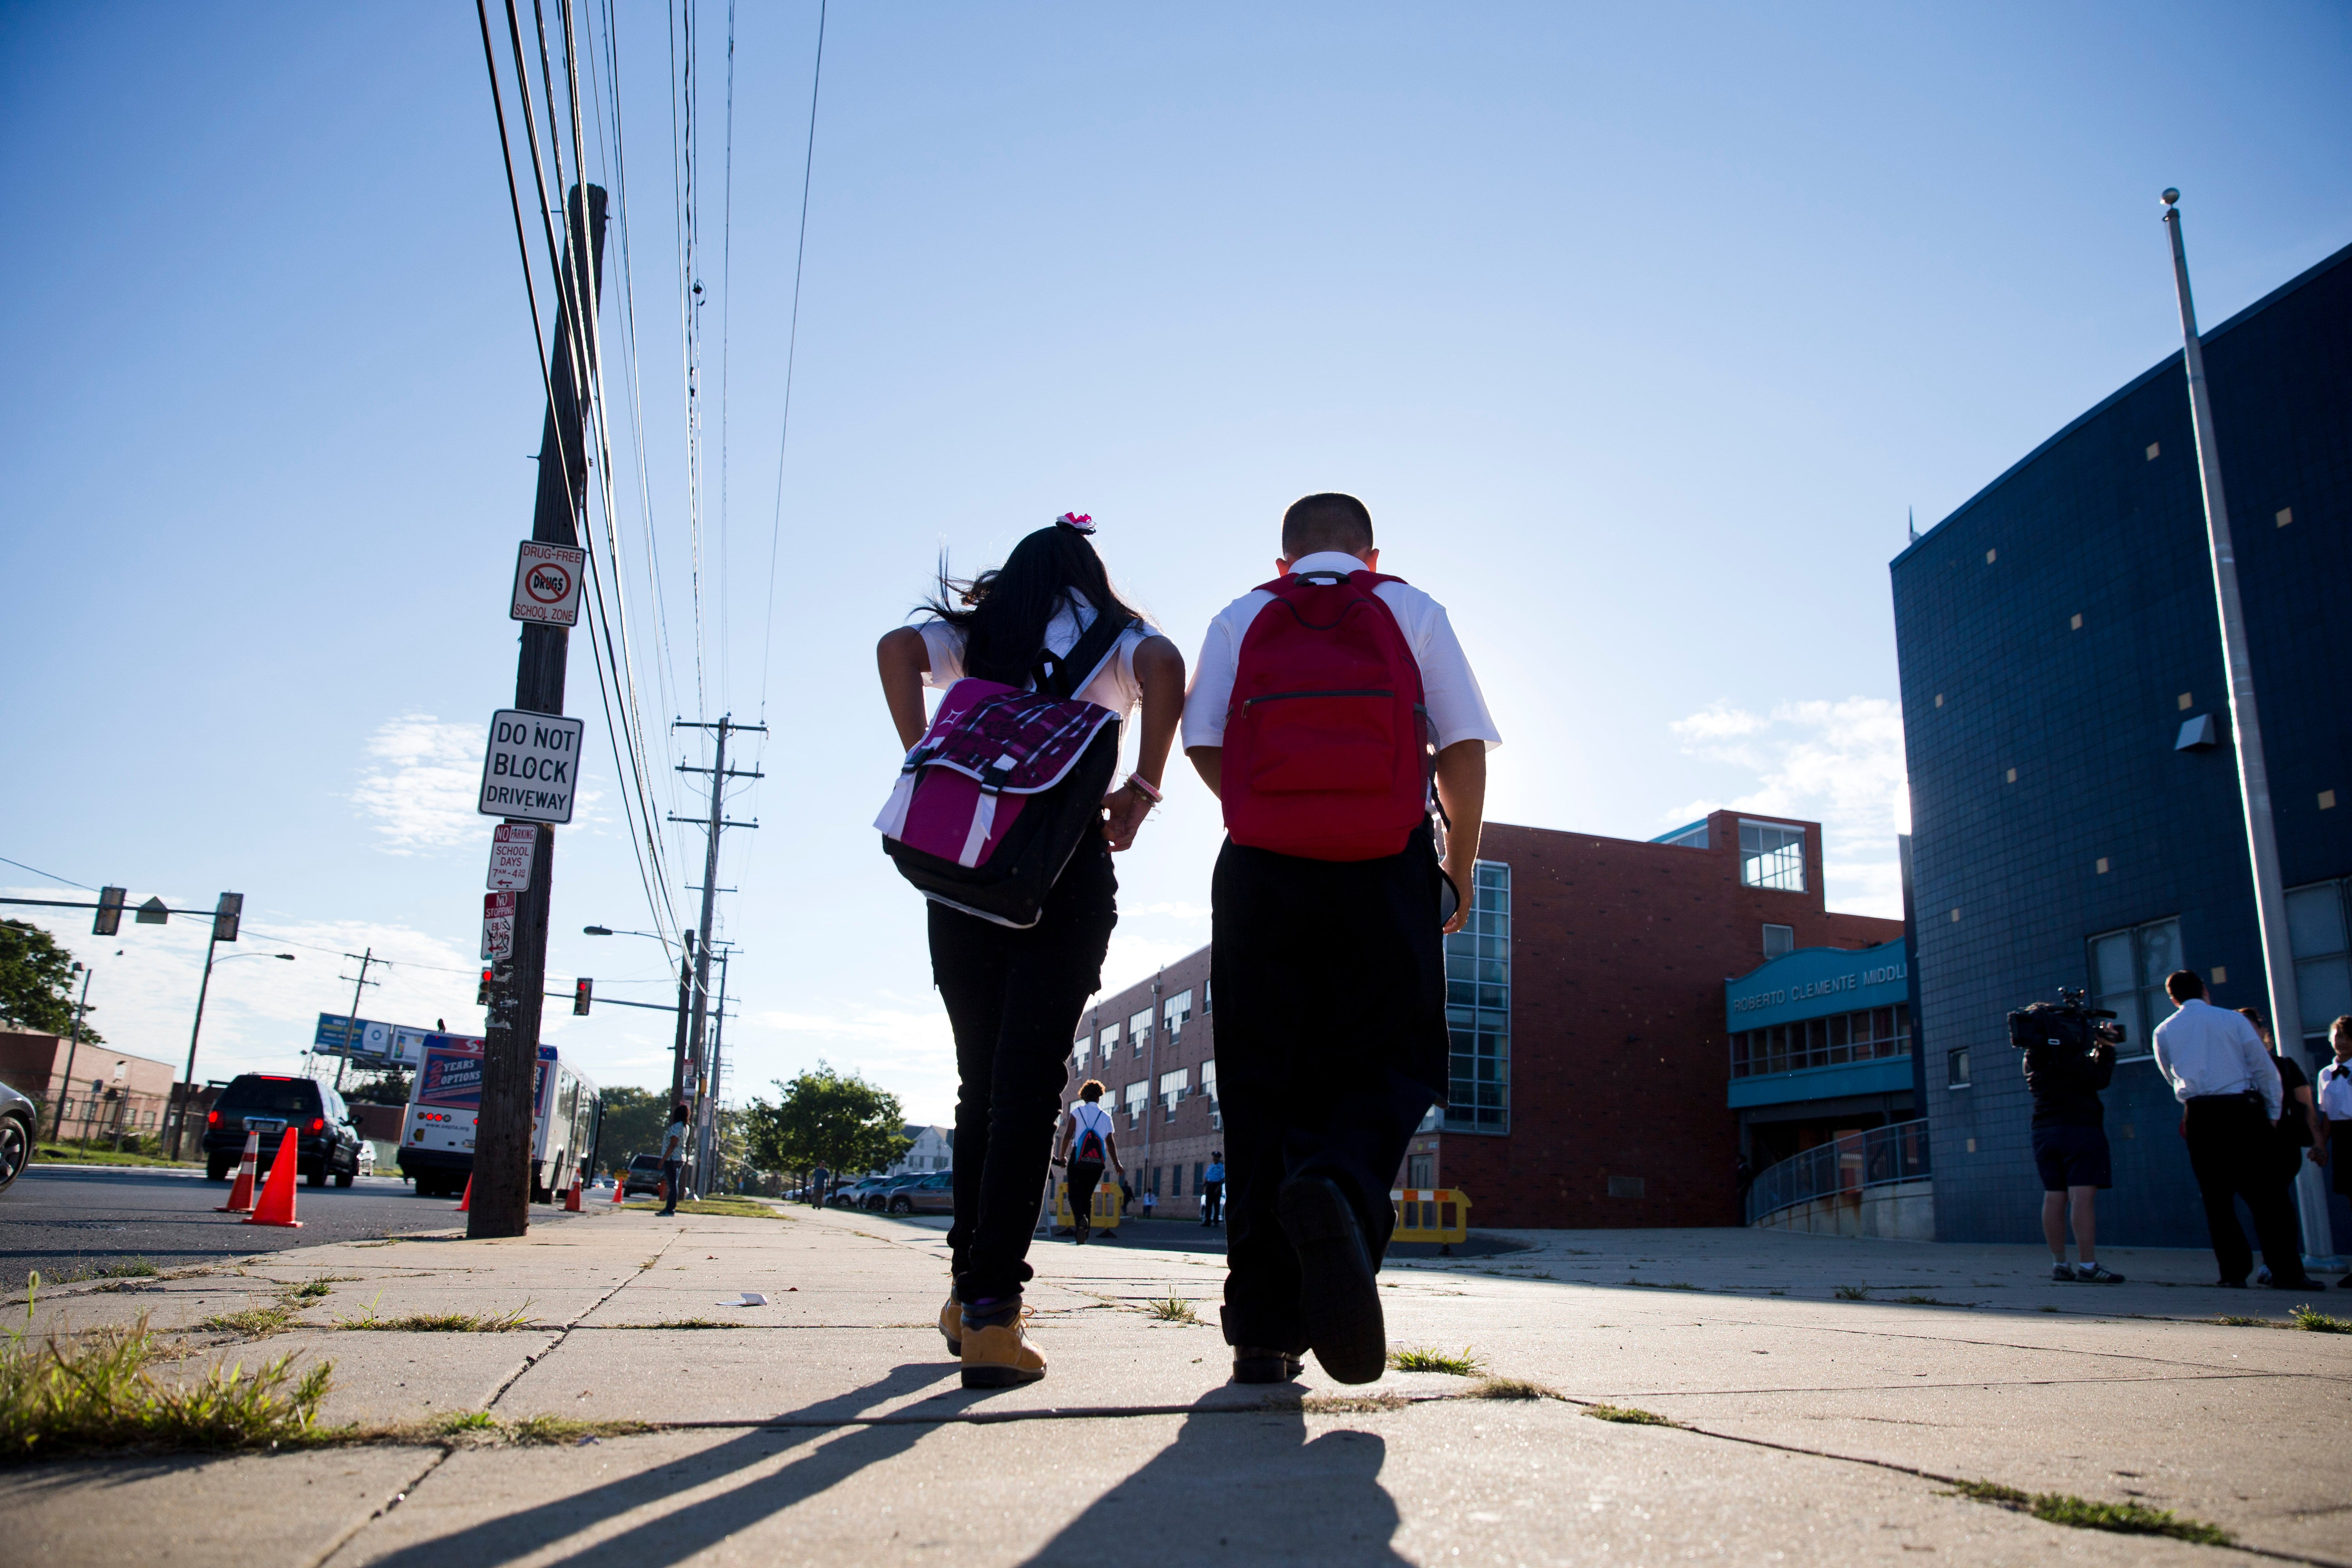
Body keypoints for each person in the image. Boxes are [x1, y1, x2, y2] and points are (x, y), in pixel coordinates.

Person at [1184, 492, 1499, 1385]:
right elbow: (1464, 748)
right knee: (1392, 1060)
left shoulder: (1244, 616)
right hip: (1386, 862)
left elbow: (1204, 742)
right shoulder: (1411, 608)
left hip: (1259, 873)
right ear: (1370, 549)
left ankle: (1263, 1331)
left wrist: (1272, 811)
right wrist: (1459, 864)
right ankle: (1342, 1183)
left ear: (1284, 559)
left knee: (1259, 1085)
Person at [878, 514, 1186, 1389]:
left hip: (962, 864)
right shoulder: (1117, 638)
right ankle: (992, 1315)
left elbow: (895, 648)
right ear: (1088, 573)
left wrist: (923, 756)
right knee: (1026, 1085)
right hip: (1063, 868)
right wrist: (1142, 789)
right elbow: (1166, 668)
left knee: (980, 1083)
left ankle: (962, 1296)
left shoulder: (979, 634)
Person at [2151, 971, 2324, 1291]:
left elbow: (2169, 1074)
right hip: (2241, 1109)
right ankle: (2286, 1272)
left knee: (2217, 1200)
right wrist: (2273, 1113)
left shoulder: (2163, 1030)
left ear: (2172, 997)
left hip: (2200, 1114)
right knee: (2269, 1197)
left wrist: (2195, 1100)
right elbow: (2264, 1069)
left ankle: (2232, 1273)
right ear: (2204, 990)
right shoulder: (2232, 1021)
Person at [2024, 1008, 2124, 1283]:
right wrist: (2106, 1048)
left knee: (2054, 1195)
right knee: (2082, 1196)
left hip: (2044, 1130)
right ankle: (2088, 1265)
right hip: (2080, 1127)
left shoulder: (2034, 1055)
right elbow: (2100, 1078)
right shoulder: (2069, 1055)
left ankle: (2060, 1264)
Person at [2240, 1007, 2329, 1290]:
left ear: (2262, 1032)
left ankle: (2285, 1268)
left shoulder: (2286, 1065)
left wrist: (2318, 1143)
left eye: (2250, 1028)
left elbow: (2308, 1109)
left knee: (2277, 1206)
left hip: (2283, 1146)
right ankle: (2275, 1266)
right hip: (2251, 1147)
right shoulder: (2234, 1070)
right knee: (2265, 1208)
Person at [1051, 1080, 1122, 1244]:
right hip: (1097, 1161)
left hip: (1078, 1158)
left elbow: (1068, 1135)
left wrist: (1062, 1157)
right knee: (1087, 1196)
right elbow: (1110, 1143)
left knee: (1075, 1195)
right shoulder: (1106, 1117)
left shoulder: (1077, 1113)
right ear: (1099, 1097)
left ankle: (1081, 1223)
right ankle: (1085, 1232)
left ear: (1083, 1096)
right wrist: (1117, 1163)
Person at [2316, 1017, 2352, 1215]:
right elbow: (2327, 1114)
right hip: (2342, 1137)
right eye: (2338, 1036)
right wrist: (2321, 1145)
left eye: (2348, 1037)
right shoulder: (2325, 1074)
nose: (2343, 1041)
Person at [657, 1102, 690, 1218]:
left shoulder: (677, 1127)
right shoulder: (685, 1127)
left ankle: (670, 1209)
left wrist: (663, 1160)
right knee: (673, 1184)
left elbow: (673, 1144)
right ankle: (669, 1208)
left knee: (672, 1185)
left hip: (672, 1159)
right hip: (680, 1158)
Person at [1200, 1152, 1225, 1226]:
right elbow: (1207, 1177)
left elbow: (1223, 1179)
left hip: (1216, 1186)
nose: (1215, 1158)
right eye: (1214, 1157)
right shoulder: (1210, 1166)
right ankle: (1208, 1221)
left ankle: (1216, 1221)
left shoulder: (1221, 1167)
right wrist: (1203, 1187)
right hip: (1209, 1186)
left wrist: (1218, 1187)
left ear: (1219, 1158)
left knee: (1216, 1204)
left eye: (1217, 1157)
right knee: (1208, 1204)